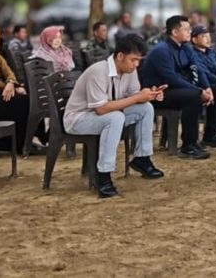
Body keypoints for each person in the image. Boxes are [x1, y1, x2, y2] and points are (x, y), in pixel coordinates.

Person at [63, 33, 165, 198]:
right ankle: (103, 176)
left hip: (104, 115)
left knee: (145, 108)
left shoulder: (129, 71)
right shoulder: (98, 71)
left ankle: (142, 158)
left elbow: (133, 96)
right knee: (115, 118)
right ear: (120, 56)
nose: (136, 65)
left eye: (139, 60)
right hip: (79, 119)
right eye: (133, 60)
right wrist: (137, 98)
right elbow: (101, 109)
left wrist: (148, 95)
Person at [139, 15, 211, 160]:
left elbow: (198, 67)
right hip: (157, 93)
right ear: (174, 32)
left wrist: (207, 88)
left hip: (175, 89)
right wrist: (198, 91)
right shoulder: (161, 50)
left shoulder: (185, 47)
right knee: (192, 96)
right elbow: (171, 78)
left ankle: (211, 135)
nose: (190, 32)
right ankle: (188, 146)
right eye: (186, 29)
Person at [188, 24, 216, 147]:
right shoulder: (193, 54)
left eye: (208, 36)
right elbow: (204, 74)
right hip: (201, 84)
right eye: (204, 36)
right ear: (194, 39)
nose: (208, 39)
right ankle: (211, 134)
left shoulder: (212, 52)